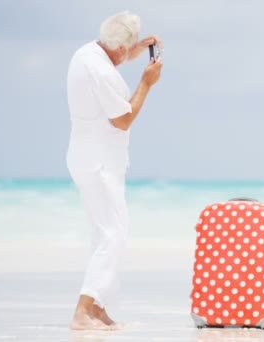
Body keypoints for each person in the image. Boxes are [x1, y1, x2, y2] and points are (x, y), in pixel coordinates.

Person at [66, 10, 163, 330]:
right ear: (119, 48)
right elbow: (122, 119)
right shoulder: (103, 72)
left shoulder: (87, 53)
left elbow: (110, 59)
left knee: (104, 234)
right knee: (114, 234)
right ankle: (83, 310)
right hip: (99, 163)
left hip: (90, 158)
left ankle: (97, 307)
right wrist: (146, 83)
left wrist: (131, 52)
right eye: (129, 48)